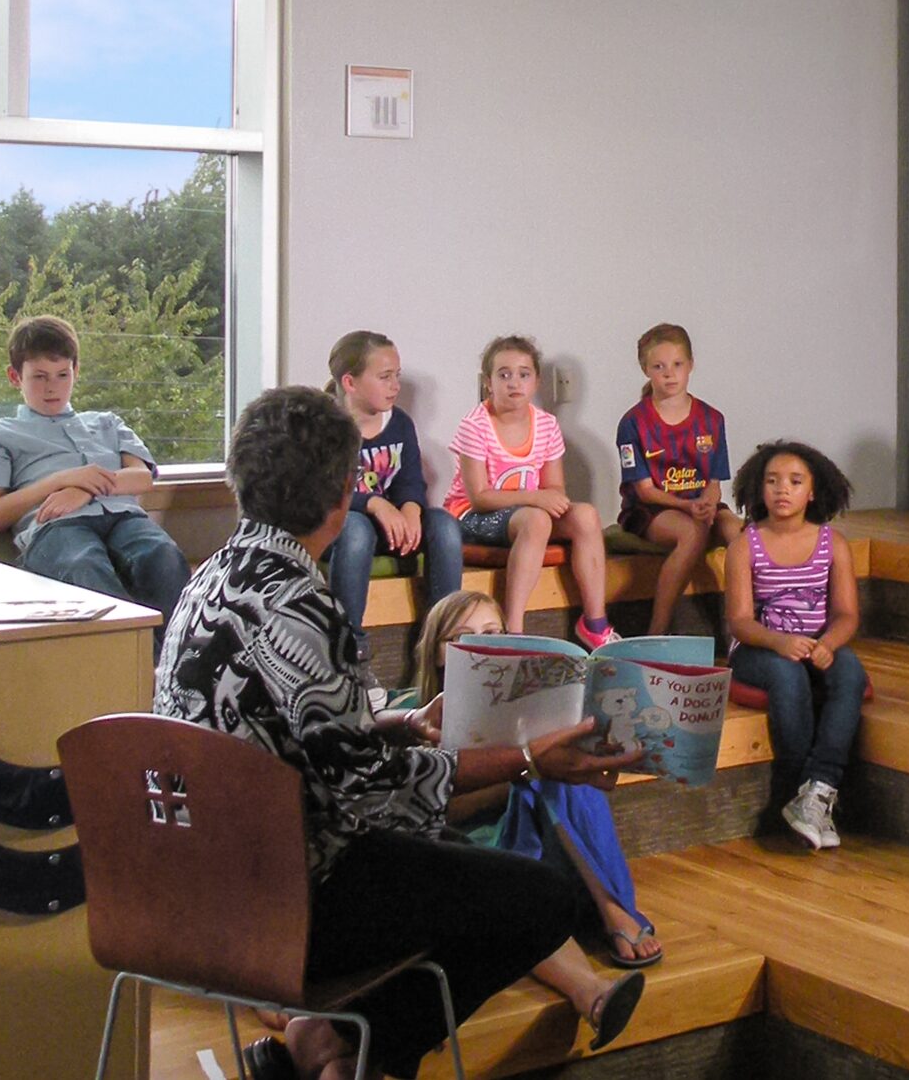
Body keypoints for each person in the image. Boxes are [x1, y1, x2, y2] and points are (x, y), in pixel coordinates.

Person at [156, 385, 645, 1080]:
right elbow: (373, 794)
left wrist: (403, 723)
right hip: (285, 902)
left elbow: (293, 738)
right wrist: (528, 757)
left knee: (449, 858)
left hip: (197, 888)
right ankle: (348, 1050)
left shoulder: (208, 581)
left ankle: (321, 1047)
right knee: (540, 900)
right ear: (340, 495)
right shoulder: (300, 599)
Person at [407, 590, 663, 969]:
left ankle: (606, 906)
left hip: (551, 841)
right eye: (461, 637)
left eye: (493, 633)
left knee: (558, 761)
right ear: (437, 652)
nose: (482, 645)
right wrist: (521, 769)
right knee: (543, 765)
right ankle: (612, 909)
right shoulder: (417, 716)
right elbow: (438, 811)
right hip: (483, 847)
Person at [0, 315, 189, 624]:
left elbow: (141, 478)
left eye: (62, 375)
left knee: (162, 556)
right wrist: (60, 480)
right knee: (83, 564)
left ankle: (170, 660)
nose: (52, 387)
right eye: (39, 377)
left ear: (76, 372)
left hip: (123, 517)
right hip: (56, 528)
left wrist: (82, 488)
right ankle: (139, 662)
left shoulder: (106, 422)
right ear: (15, 377)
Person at [723, 440, 865, 850]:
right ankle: (797, 786)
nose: (782, 490)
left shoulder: (832, 543)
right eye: (772, 481)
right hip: (760, 648)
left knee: (850, 672)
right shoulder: (745, 544)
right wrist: (780, 642)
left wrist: (828, 644)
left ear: (813, 491)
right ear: (758, 488)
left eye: (795, 481)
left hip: (817, 643)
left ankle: (819, 787)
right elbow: (740, 621)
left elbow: (847, 614)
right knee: (786, 677)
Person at [444, 335, 617, 647]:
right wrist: (535, 498)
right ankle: (514, 632)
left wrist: (544, 500)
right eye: (504, 374)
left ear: (536, 382)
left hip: (526, 516)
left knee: (587, 515)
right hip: (471, 517)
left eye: (523, 374)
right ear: (488, 382)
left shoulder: (547, 425)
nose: (514, 382)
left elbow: (554, 489)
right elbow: (479, 497)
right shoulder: (475, 425)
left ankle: (595, 623)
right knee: (536, 520)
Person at [323, 331, 464, 658]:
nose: (395, 386)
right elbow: (325, 493)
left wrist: (412, 510)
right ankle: (350, 647)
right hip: (342, 529)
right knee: (355, 528)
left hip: (391, 529)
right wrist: (373, 503)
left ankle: (441, 641)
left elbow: (410, 480)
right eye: (385, 377)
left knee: (443, 526)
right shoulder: (326, 425)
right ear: (350, 382)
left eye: (396, 376)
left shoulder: (399, 423)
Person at [615, 323, 742, 635]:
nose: (669, 374)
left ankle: (749, 623)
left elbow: (714, 482)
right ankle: (657, 631)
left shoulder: (712, 419)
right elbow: (644, 491)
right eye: (659, 366)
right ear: (646, 370)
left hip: (700, 505)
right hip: (652, 511)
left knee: (740, 535)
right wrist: (689, 508)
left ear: (690, 365)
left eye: (677, 365)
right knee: (692, 533)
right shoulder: (633, 423)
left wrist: (709, 503)